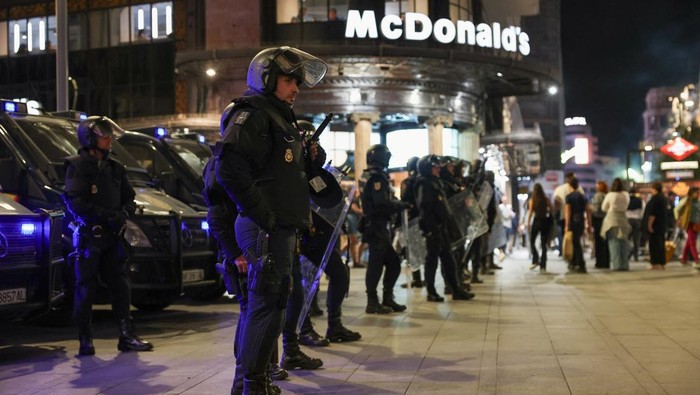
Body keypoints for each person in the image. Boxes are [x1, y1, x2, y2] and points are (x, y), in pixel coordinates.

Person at [215, 46, 328, 394]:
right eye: (287, 80)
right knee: (266, 307)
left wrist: (312, 158)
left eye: (297, 81)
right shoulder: (253, 114)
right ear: (266, 78)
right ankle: (253, 385)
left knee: (271, 307)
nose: (295, 87)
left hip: (279, 230)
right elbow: (228, 167)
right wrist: (263, 216)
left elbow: (288, 176)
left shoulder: (279, 117)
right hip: (266, 230)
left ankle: (251, 383)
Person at [63, 116, 153, 356]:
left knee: (121, 286)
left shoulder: (116, 167)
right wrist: (105, 215)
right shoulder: (77, 166)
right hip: (91, 236)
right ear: (91, 138)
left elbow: (129, 197)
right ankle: (85, 339)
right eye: (105, 136)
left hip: (113, 237)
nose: (110, 140)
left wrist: (125, 212)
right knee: (86, 288)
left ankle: (126, 335)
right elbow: (75, 202)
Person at [202, 157, 285, 395]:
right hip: (239, 260)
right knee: (250, 315)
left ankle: (249, 379)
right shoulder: (223, 172)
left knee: (251, 314)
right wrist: (236, 254)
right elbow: (215, 220)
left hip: (245, 255)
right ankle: (241, 381)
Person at [414, 155, 475, 302]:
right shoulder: (424, 184)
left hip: (442, 227)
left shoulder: (436, 182)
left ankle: (456, 289)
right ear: (428, 168)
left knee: (449, 260)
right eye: (435, 167)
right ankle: (431, 291)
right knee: (432, 261)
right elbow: (425, 208)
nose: (438, 169)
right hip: (433, 228)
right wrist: (430, 229)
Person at [361, 144, 408, 314]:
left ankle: (385, 298)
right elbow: (381, 204)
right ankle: (373, 302)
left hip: (373, 226)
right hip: (377, 226)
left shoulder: (366, 175)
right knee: (378, 264)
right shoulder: (377, 177)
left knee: (390, 263)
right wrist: (399, 205)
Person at [400, 156, 423, 288]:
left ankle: (417, 278)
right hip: (422, 219)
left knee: (413, 251)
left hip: (411, 220)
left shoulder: (408, 182)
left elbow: (404, 200)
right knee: (419, 249)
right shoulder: (421, 181)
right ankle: (419, 278)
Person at [601, 178, 631, 271]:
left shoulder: (610, 195)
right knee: (624, 243)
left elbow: (603, 207)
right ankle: (625, 265)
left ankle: (617, 265)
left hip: (612, 219)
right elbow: (627, 205)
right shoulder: (626, 194)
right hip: (623, 219)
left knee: (614, 243)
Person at [564, 177, 592, 273]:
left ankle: (580, 263)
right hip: (581, 221)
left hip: (573, 221)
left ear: (569, 185)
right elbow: (588, 211)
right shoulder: (583, 196)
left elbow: (568, 212)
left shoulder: (569, 197)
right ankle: (574, 262)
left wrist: (567, 225)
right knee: (576, 241)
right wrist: (589, 224)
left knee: (575, 243)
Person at [526, 183, 552, 272]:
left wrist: (528, 223)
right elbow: (551, 209)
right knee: (544, 244)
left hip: (537, 221)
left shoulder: (532, 200)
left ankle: (536, 259)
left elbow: (530, 212)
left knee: (532, 241)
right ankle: (543, 265)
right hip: (545, 221)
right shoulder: (546, 199)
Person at [645, 182, 668, 270]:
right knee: (661, 243)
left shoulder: (655, 199)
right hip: (662, 224)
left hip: (655, 225)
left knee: (654, 244)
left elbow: (653, 213)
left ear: (654, 189)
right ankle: (662, 262)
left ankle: (655, 263)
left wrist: (649, 225)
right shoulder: (663, 198)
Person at [675, 187, 700, 266]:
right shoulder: (686, 201)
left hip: (697, 224)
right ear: (691, 193)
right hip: (689, 223)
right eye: (696, 192)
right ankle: (697, 259)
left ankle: (684, 259)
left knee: (689, 241)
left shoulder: (698, 201)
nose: (697, 194)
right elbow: (676, 209)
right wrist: (678, 219)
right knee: (692, 242)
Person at [590, 181, 609, 268]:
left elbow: (596, 209)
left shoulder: (598, 196)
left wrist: (590, 207)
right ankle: (606, 262)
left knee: (598, 242)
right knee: (605, 242)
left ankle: (599, 262)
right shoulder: (607, 195)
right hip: (606, 220)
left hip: (598, 220)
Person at [626, 187, 645, 262]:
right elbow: (643, 211)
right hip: (637, 221)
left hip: (628, 220)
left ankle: (627, 254)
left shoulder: (626, 200)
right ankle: (635, 256)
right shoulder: (640, 201)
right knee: (636, 239)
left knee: (627, 239)